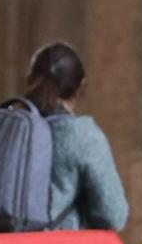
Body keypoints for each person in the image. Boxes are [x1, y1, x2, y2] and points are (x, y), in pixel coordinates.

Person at [25, 42, 128, 231]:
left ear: (30, 80)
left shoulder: (3, 127)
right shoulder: (81, 135)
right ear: (81, 87)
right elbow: (115, 215)